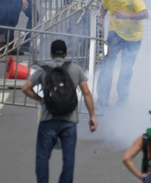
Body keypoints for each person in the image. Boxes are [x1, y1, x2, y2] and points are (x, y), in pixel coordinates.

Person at [22, 40, 97, 183]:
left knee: (43, 157)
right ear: (66, 53)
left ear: (50, 53)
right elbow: (86, 93)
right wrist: (92, 116)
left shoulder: (43, 69)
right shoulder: (75, 69)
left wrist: (40, 99)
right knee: (69, 158)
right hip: (69, 121)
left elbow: (25, 88)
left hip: (48, 119)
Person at [97, 0, 149, 107]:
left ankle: (122, 99)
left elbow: (145, 14)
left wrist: (126, 16)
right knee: (106, 65)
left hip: (133, 38)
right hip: (115, 33)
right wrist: (101, 18)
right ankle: (102, 98)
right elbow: (104, 6)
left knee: (126, 69)